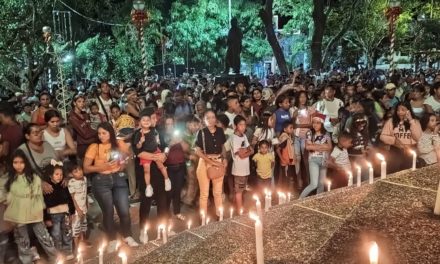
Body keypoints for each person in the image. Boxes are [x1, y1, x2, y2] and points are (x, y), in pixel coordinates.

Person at [83, 122, 138, 252]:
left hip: (118, 178)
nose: (101, 136)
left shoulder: (118, 144)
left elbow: (128, 157)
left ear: (111, 133)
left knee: (124, 210)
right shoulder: (94, 146)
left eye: (104, 133)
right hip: (101, 181)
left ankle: (127, 235)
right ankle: (112, 239)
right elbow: (85, 168)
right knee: (108, 211)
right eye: (99, 133)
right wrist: (102, 167)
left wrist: (123, 162)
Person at [4, 150, 59, 263]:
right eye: (15, 162)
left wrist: (40, 213)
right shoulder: (8, 179)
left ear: (26, 163)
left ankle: (56, 259)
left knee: (44, 237)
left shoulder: (33, 177)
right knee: (23, 241)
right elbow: (6, 198)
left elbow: (38, 196)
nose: (19, 166)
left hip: (34, 213)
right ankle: (27, 261)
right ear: (12, 163)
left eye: (21, 162)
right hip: (18, 215)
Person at [195, 110, 227, 218]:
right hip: (204, 162)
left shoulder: (220, 131)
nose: (210, 119)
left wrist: (224, 158)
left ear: (216, 119)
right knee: (204, 194)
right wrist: (211, 162)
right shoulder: (201, 132)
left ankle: (219, 215)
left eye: (212, 117)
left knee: (218, 192)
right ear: (204, 120)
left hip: (218, 160)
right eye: (207, 117)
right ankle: (203, 218)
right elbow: (197, 151)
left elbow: (223, 147)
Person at [134, 109, 172, 197]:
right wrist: (155, 156)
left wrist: (165, 154)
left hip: (160, 174)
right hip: (146, 173)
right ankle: (148, 187)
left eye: (156, 118)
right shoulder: (137, 134)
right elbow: (138, 152)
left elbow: (166, 145)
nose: (156, 120)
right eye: (153, 118)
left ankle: (167, 180)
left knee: (162, 199)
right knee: (146, 201)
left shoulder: (157, 130)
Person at [42, 160, 75, 260]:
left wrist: (72, 212)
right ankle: (59, 253)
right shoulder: (48, 188)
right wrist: (46, 218)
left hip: (65, 213)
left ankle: (68, 251)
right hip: (53, 215)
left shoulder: (63, 185)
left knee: (67, 232)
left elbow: (69, 199)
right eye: (56, 174)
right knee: (56, 234)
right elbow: (44, 204)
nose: (59, 176)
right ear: (50, 175)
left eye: (61, 174)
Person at [160, 116, 189, 220]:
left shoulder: (179, 135)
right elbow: (163, 154)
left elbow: (186, 149)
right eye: (167, 124)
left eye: (171, 124)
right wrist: (171, 143)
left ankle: (177, 212)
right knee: (168, 191)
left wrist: (180, 140)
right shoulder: (162, 137)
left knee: (177, 190)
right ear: (164, 125)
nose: (170, 126)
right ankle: (166, 213)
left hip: (180, 166)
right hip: (168, 167)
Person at [380, 102, 422, 173]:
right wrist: (393, 140)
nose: (400, 112)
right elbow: (382, 136)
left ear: (408, 111)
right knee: (394, 172)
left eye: (403, 110)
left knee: (409, 173)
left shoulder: (415, 122)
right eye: (398, 110)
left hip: (410, 150)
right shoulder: (391, 121)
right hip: (396, 150)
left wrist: (411, 120)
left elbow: (418, 137)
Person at [299, 113, 332, 198]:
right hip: (313, 160)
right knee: (314, 184)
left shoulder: (326, 134)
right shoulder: (310, 133)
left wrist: (315, 146)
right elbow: (308, 147)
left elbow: (329, 147)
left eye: (318, 123)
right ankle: (299, 199)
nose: (315, 125)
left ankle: (318, 201)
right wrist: (322, 146)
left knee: (321, 184)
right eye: (314, 122)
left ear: (322, 123)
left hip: (324, 160)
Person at [65, 162, 89, 254]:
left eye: (80, 170)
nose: (79, 172)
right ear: (71, 174)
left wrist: (87, 203)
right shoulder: (71, 183)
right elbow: (73, 198)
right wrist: (78, 209)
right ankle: (76, 247)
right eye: (76, 171)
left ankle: (83, 242)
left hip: (84, 207)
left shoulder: (85, 179)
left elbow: (85, 192)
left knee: (83, 225)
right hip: (77, 209)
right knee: (76, 227)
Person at [291, 91, 314, 186]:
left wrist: (299, 125)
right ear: (298, 98)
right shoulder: (293, 110)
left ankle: (309, 180)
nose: (303, 99)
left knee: (306, 160)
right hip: (296, 137)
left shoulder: (311, 109)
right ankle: (299, 180)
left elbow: (312, 124)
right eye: (301, 97)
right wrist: (294, 117)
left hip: (306, 137)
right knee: (297, 159)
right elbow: (292, 124)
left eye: (304, 97)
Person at [231, 115, 253, 211]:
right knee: (239, 191)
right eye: (240, 125)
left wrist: (245, 151)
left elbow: (251, 150)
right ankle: (240, 210)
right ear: (235, 126)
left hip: (245, 169)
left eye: (244, 125)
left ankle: (237, 206)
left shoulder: (244, 136)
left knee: (241, 189)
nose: (243, 127)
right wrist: (247, 151)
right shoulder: (234, 138)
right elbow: (241, 155)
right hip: (239, 170)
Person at [69, 94, 97, 162]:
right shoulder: (72, 117)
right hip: (83, 145)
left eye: (83, 101)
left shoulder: (85, 114)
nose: (82, 103)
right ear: (74, 103)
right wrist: (97, 132)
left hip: (92, 142)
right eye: (79, 101)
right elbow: (85, 134)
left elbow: (90, 128)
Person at [276, 121, 295, 191]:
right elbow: (278, 150)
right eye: (291, 128)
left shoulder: (287, 137)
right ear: (285, 129)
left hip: (287, 161)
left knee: (286, 178)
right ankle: (285, 193)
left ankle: (285, 193)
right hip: (286, 162)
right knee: (285, 179)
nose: (292, 129)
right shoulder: (285, 138)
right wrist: (282, 159)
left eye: (293, 128)